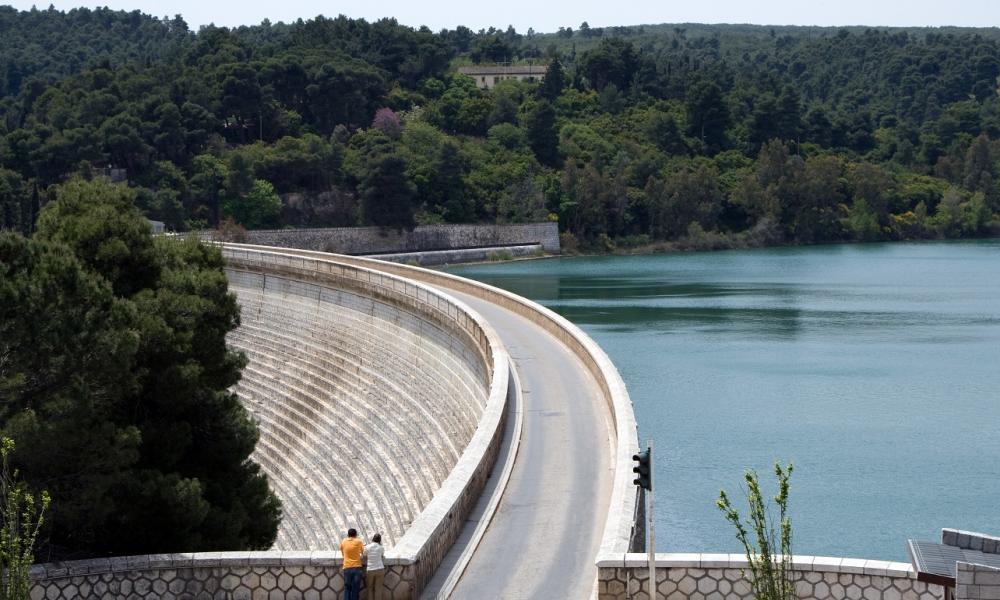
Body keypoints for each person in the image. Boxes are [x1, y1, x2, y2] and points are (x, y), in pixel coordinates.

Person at [340, 528, 365, 600]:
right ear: (356, 534)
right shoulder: (359, 541)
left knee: (347, 587)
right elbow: (363, 552)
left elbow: (342, 553)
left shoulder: (343, 541)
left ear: (348, 535)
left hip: (347, 567)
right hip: (357, 567)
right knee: (355, 588)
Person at [363, 533, 386, 600]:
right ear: (380, 540)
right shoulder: (381, 547)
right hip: (380, 569)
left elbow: (364, 555)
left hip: (370, 569)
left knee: (369, 588)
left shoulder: (367, 547)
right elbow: (382, 556)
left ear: (373, 539)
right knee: (378, 588)